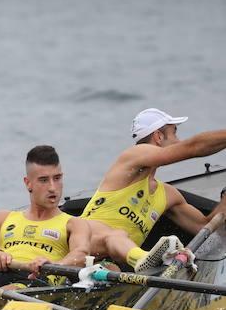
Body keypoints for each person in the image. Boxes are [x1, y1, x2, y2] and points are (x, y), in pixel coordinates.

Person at [80, 107, 226, 271]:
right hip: (81, 244)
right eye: (174, 133)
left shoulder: (169, 195)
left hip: (108, 262)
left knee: (112, 269)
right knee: (113, 241)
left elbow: (204, 229)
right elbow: (192, 147)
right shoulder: (133, 156)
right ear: (158, 136)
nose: (179, 141)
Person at [0, 145, 93, 285]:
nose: (52, 187)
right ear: (28, 183)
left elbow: (81, 255)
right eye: (44, 180)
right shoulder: (2, 218)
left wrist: (55, 265)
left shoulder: (74, 224)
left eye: (57, 178)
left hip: (38, 281)